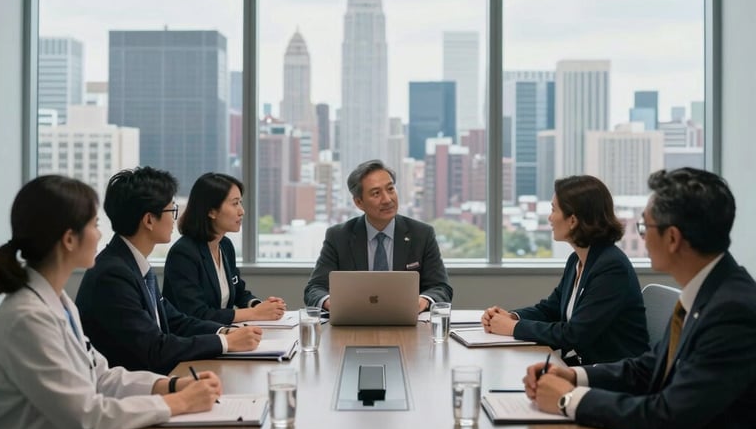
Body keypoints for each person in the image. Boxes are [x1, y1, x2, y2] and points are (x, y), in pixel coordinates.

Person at [523, 168, 756, 429]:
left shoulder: (732, 310)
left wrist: (570, 400)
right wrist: (575, 376)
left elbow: (666, 415)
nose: (642, 240)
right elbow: (648, 369)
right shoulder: (708, 293)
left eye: (646, 229)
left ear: (674, 238)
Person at [0, 175, 224, 429]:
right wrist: (178, 404)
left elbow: (102, 376)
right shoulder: (27, 319)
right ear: (69, 239)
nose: (100, 235)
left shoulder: (56, 301)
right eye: (94, 225)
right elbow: (87, 417)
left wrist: (169, 385)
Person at [76, 167, 262, 375]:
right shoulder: (113, 275)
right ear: (148, 220)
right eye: (171, 210)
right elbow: (154, 348)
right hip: (130, 392)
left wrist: (224, 331)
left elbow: (174, 320)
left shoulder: (134, 264)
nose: (175, 218)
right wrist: (224, 342)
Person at [482, 175, 648, 364]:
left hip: (611, 375)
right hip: (582, 365)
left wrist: (513, 327)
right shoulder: (577, 259)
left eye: (554, 210)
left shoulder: (611, 268)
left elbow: (574, 334)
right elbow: (550, 309)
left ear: (573, 220)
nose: (550, 217)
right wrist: (511, 316)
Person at [304, 159, 452, 312]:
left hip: (407, 326)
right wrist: (330, 302)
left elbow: (441, 288)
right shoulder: (339, 236)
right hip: (354, 324)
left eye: (390, 189)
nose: (387, 200)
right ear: (359, 202)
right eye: (376, 193)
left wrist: (423, 301)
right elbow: (315, 289)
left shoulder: (421, 234)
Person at [163, 172, 286, 324]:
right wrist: (254, 313)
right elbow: (197, 314)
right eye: (235, 203)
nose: (242, 211)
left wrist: (261, 306)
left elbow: (239, 292)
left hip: (223, 334)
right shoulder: (183, 253)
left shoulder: (225, 245)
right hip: (194, 341)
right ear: (211, 211)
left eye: (240, 202)